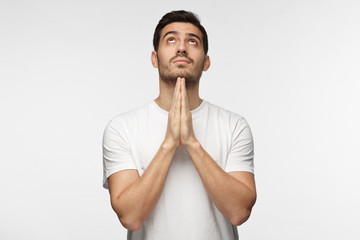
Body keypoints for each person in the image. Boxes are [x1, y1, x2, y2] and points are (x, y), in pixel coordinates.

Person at [102, 10, 256, 240]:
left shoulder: (234, 126)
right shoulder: (122, 128)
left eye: (192, 41)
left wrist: (192, 142)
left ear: (206, 62)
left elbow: (238, 212)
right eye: (171, 40)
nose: (181, 48)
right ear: (154, 58)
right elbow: (131, 217)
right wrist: (169, 143)